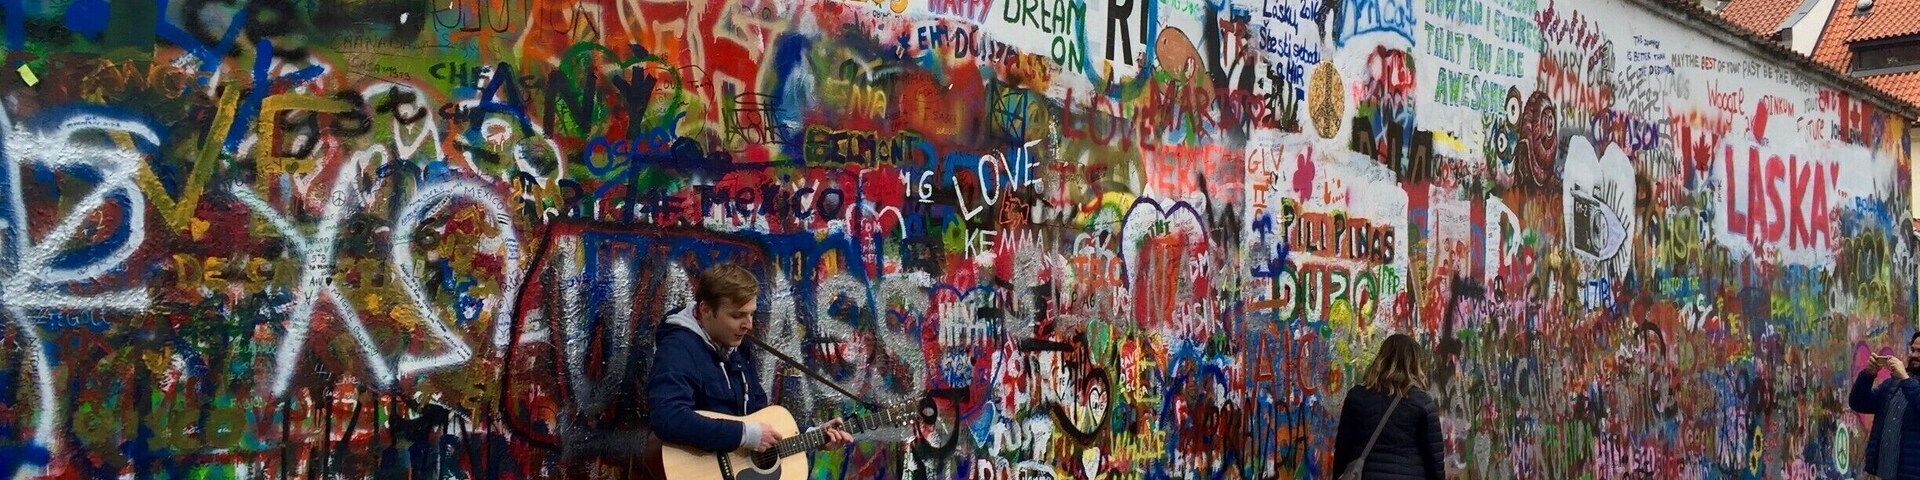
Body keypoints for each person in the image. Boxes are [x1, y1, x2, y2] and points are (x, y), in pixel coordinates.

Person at [648, 264, 853, 455]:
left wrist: (811, 435)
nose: (748, 325)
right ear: (706, 311)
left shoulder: (737, 346)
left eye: (751, 315)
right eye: (737, 316)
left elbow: (757, 418)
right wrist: (745, 435)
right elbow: (668, 417)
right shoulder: (678, 349)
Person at [1333, 333, 1446, 480]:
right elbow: (1434, 459)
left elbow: (1343, 449)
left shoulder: (1356, 397)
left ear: (1382, 358)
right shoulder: (1422, 403)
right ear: (1413, 363)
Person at [1849, 332, 1920, 480]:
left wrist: (1906, 380)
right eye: (1913, 350)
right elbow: (1859, 403)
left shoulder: (1905, 381)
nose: (1914, 355)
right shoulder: (1894, 383)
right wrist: (1868, 375)